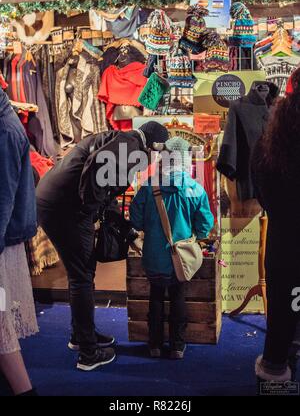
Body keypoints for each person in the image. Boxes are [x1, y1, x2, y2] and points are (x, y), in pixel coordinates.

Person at [36, 121, 169, 371]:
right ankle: (87, 353)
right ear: (153, 146)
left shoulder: (125, 142)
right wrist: (88, 210)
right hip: (64, 208)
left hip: (57, 202)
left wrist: (129, 233)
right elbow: (97, 169)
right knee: (82, 276)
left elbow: (106, 190)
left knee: (83, 274)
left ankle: (81, 336)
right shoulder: (130, 146)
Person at [130, 137, 214, 359]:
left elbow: (136, 220)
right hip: (181, 259)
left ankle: (154, 345)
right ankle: (177, 346)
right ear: (186, 160)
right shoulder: (195, 188)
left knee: (155, 296)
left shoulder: (149, 187)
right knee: (178, 295)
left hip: (153, 256)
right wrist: (195, 234)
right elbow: (205, 225)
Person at [252, 69, 300, 384]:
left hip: (285, 242)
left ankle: (275, 376)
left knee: (282, 313)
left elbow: (260, 187)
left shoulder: (270, 142)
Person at [0, 89, 38, 396]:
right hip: (6, 239)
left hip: (2, 243)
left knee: (0, 320)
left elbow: (3, 198)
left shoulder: (4, 131)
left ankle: (23, 390)